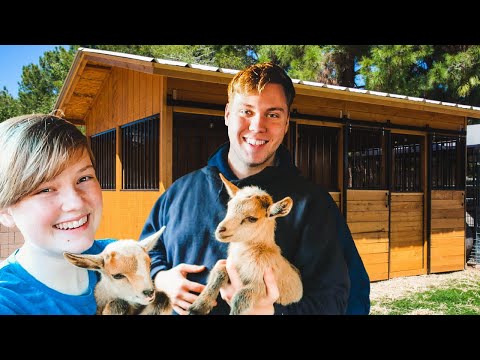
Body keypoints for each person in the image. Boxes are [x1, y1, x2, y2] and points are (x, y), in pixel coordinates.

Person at [141, 62, 370, 315]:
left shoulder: (314, 205)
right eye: (246, 111)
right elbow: (145, 252)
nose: (257, 126)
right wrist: (160, 279)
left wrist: (273, 313)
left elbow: (346, 299)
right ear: (227, 114)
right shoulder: (178, 194)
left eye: (273, 114)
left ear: (285, 123)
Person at [0, 114, 114, 315]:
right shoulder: (8, 301)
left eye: (84, 178)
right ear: (5, 211)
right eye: (45, 189)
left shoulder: (117, 256)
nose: (75, 203)